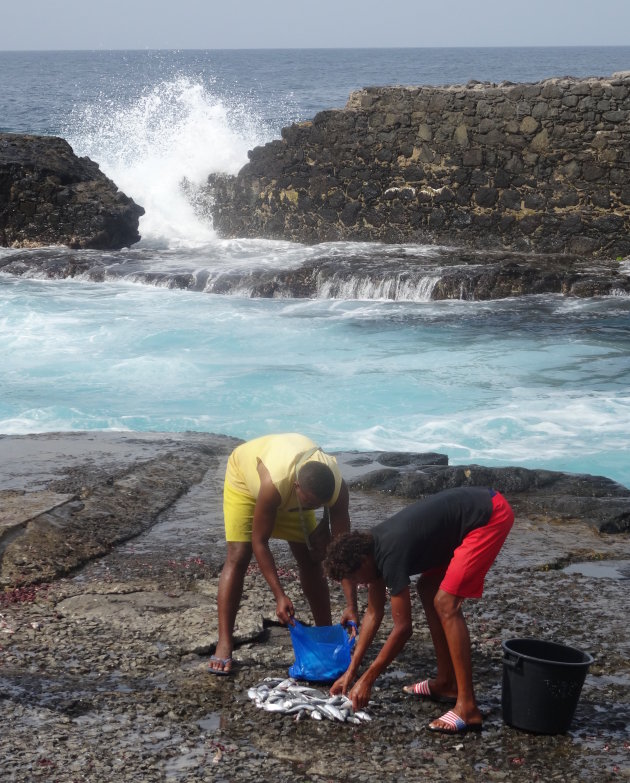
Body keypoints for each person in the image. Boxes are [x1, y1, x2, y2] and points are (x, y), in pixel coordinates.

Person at [325, 486, 514, 734]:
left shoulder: (388, 553)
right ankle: (446, 683)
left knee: (445, 603)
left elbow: (403, 629)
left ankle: (467, 707)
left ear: (363, 563)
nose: (360, 583)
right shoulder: (369, 550)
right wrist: (351, 673)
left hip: (488, 515)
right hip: (462, 522)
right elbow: (374, 613)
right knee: (427, 587)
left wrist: (368, 679)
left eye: (356, 578)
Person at [210, 433, 358, 675]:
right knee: (239, 555)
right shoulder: (273, 485)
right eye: (310, 504)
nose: (312, 509)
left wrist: (351, 605)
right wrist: (279, 595)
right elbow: (260, 541)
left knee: (311, 559)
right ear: (297, 486)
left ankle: (324, 636)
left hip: (293, 490)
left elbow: (344, 550)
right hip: (245, 481)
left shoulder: (336, 490)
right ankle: (225, 641)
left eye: (318, 506)